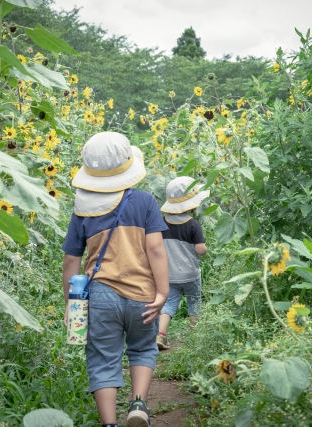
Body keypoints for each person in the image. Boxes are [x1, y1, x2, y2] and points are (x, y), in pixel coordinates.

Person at [62, 132, 169, 427]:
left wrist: (71, 307)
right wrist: (163, 292)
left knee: (102, 358)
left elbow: (71, 260)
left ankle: (109, 424)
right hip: (143, 295)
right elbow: (156, 248)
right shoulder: (146, 202)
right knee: (143, 348)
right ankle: (138, 405)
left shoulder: (82, 210)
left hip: (100, 296)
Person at [156, 176, 209, 350]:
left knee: (169, 303)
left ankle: (161, 334)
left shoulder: (162, 224)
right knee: (194, 302)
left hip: (170, 275)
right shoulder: (193, 225)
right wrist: (205, 249)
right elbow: (200, 249)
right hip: (190, 275)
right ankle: (194, 339)